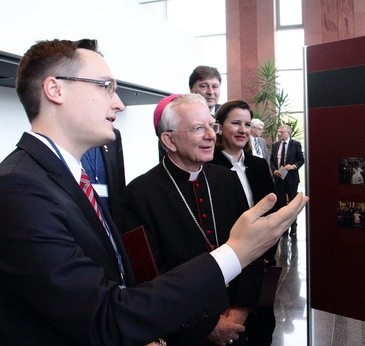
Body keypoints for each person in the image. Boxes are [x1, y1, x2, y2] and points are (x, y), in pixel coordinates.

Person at [0, 38, 308, 345]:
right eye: (105, 86)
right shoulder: (20, 188)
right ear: (55, 90)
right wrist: (236, 252)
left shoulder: (63, 178)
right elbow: (104, 311)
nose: (118, 102)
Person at [121, 94, 265, 345]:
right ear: (169, 140)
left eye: (212, 126)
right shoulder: (138, 194)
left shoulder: (227, 180)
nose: (211, 135)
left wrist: (240, 309)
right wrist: (205, 326)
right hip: (184, 331)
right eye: (198, 128)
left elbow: (250, 246)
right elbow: (146, 278)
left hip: (235, 326)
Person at [211, 100, 282, 345]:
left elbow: (276, 213)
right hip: (229, 261)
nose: (243, 130)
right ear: (219, 127)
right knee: (233, 329)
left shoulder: (259, 165)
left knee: (263, 325)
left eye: (247, 124)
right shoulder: (210, 167)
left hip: (261, 258)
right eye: (236, 123)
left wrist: (264, 251)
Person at [80, 128, 126, 228]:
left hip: (111, 223)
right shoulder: (66, 135)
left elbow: (120, 187)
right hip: (81, 223)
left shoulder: (113, 135)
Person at [270, 124, 305, 237]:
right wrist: (274, 171)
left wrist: (293, 166)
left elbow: (301, 160)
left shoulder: (295, 144)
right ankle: (283, 228)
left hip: (291, 179)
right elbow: (271, 161)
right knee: (280, 203)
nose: (279, 134)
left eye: (281, 132)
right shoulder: (275, 145)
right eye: (279, 132)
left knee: (292, 204)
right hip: (279, 178)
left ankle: (293, 227)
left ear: (288, 132)